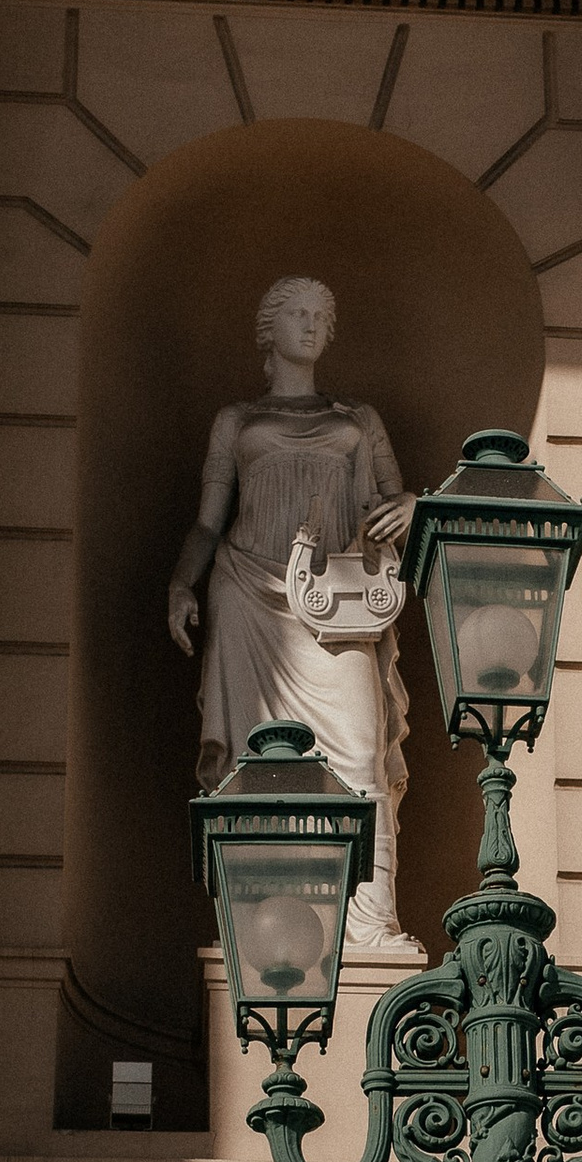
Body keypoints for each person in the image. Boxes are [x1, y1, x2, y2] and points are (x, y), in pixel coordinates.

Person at [167, 273, 424, 958]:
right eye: (298, 313)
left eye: (322, 315)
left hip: (336, 604)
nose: (311, 325)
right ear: (269, 328)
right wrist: (181, 584)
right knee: (257, 766)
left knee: (362, 754)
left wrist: (414, 507)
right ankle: (257, 928)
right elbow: (205, 522)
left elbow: (396, 504)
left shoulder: (360, 419)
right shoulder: (236, 420)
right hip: (247, 591)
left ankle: (371, 925)